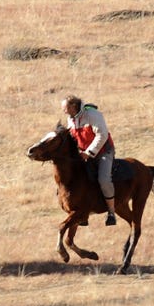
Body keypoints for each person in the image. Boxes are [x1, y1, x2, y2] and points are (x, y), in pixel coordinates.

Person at [61, 95, 117, 226]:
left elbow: (102, 135)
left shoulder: (93, 114)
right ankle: (83, 213)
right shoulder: (71, 119)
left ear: (73, 106)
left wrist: (89, 153)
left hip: (104, 152)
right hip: (84, 155)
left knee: (104, 180)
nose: (63, 110)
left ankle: (111, 212)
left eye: (65, 108)